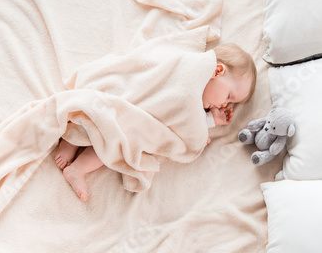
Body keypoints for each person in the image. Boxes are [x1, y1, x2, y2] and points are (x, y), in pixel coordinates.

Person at [55, 43, 257, 201]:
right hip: (133, 90)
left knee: (121, 137)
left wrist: (211, 118)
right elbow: (188, 119)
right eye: (229, 95)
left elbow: (178, 120)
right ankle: (71, 139)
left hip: (138, 116)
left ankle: (78, 168)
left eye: (231, 102)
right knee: (104, 114)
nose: (224, 103)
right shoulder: (189, 72)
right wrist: (203, 129)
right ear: (217, 71)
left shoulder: (200, 101)